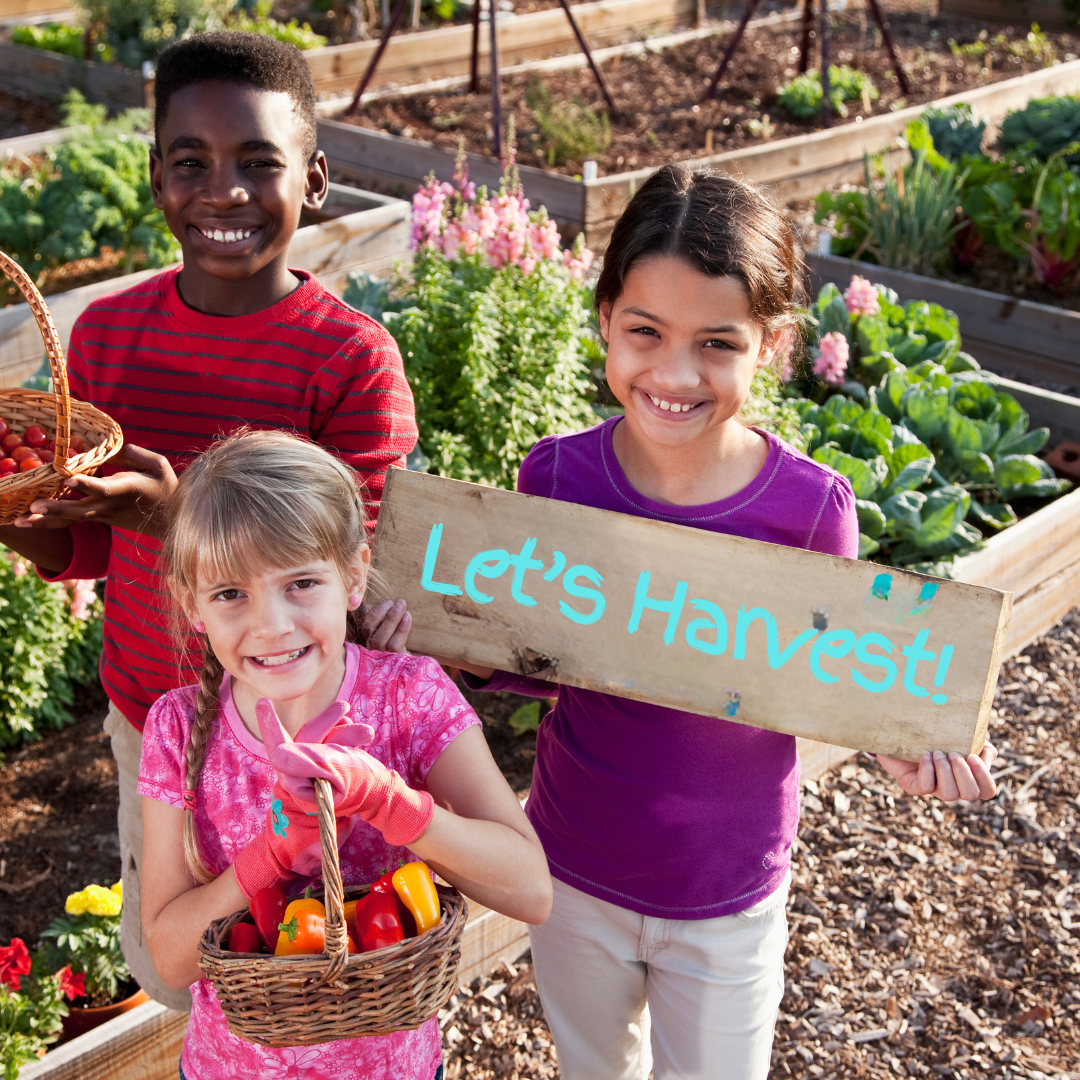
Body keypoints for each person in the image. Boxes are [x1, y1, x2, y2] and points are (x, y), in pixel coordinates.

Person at [450, 164, 999, 1080]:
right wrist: (450, 639)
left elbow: (821, 673)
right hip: (574, 862)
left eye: (716, 342)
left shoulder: (809, 510)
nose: (674, 372)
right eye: (645, 333)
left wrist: (895, 738)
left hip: (729, 890)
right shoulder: (556, 479)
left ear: (772, 346)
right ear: (604, 323)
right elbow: (537, 652)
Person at [0, 32, 418, 1012]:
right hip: (149, 717)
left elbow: (339, 577)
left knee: (309, 976)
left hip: (302, 742)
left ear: (313, 180)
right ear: (157, 178)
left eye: (258, 164)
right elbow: (81, 546)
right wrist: (15, 513)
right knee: (182, 967)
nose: (223, 191)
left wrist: (172, 511)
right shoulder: (108, 336)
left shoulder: (348, 361)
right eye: (191, 162)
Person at [138, 429, 551, 1080]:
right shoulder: (177, 728)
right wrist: (272, 855)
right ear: (192, 605)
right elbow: (169, 955)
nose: (271, 624)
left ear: (353, 576)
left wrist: (400, 807)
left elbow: (531, 889)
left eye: (301, 582)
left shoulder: (407, 696)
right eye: (230, 594)